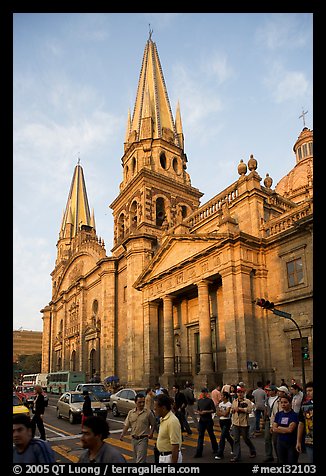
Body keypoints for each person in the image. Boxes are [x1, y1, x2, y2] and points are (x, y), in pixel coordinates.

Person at [120, 393, 156, 463]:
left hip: (143, 439)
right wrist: (122, 434)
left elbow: (153, 424)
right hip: (134, 439)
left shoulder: (148, 413)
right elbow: (127, 425)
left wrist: (151, 433)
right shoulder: (131, 413)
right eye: (140, 402)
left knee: (140, 461)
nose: (142, 404)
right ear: (135, 402)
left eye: (143, 402)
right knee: (138, 458)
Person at [154, 393, 183, 463]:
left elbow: (175, 445)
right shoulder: (163, 418)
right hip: (163, 456)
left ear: (163, 408)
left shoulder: (172, 421)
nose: (154, 410)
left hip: (169, 458)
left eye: (156, 408)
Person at [230, 387, 256, 462]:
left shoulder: (247, 401)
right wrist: (232, 410)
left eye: (241, 392)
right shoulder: (234, 401)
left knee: (246, 439)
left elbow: (250, 410)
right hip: (236, 423)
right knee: (236, 440)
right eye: (238, 392)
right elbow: (232, 409)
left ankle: (252, 450)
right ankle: (237, 456)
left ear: (243, 393)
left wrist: (241, 409)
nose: (240, 394)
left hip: (244, 423)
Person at [272, 394, 299, 464]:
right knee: (281, 461)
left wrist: (279, 428)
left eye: (285, 402)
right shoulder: (278, 414)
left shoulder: (294, 415)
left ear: (290, 403)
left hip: (291, 442)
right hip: (280, 442)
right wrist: (284, 430)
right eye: (281, 402)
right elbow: (274, 428)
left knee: (292, 461)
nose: (283, 404)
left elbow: (290, 430)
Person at [193, 387, 219, 458]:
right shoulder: (199, 401)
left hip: (208, 420)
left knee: (211, 435)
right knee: (200, 436)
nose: (203, 393)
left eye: (204, 392)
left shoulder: (210, 401)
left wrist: (206, 412)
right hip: (202, 420)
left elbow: (213, 410)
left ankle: (215, 448)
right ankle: (199, 452)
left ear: (207, 393)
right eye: (202, 392)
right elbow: (198, 409)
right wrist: (199, 412)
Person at [296, 381, 313, 463]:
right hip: (309, 440)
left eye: (310, 390)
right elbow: (301, 423)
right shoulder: (305, 405)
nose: (308, 393)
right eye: (307, 391)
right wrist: (298, 441)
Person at [214, 391, 234, 460]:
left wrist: (221, 413)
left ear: (225, 396)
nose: (221, 397)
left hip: (227, 421)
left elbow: (226, 414)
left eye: (222, 396)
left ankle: (220, 453)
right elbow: (217, 413)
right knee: (227, 435)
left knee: (222, 437)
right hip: (221, 421)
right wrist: (222, 413)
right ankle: (234, 446)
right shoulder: (220, 404)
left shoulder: (229, 404)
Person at [263, 384, 280, 463]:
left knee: (275, 440)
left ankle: (279, 456)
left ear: (274, 391)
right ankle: (269, 455)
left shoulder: (278, 399)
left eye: (270, 390)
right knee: (267, 438)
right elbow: (266, 408)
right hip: (268, 420)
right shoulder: (267, 399)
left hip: (275, 421)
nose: (268, 392)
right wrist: (264, 417)